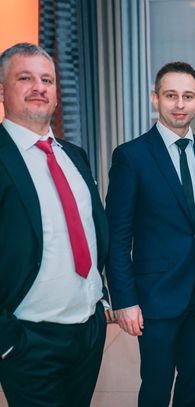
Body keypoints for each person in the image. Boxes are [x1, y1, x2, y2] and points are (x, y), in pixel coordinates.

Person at [105, 61, 195, 407]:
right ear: (155, 98)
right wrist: (124, 299)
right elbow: (118, 236)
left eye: (188, 96)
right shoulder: (131, 156)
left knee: (194, 387)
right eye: (171, 95)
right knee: (157, 388)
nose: (179, 104)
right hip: (156, 297)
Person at [0, 42, 109, 407]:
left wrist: (100, 303)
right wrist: (6, 339)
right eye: (25, 78)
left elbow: (91, 232)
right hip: (28, 340)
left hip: (87, 333)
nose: (39, 87)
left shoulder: (74, 156)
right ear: (2, 90)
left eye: (47, 80)